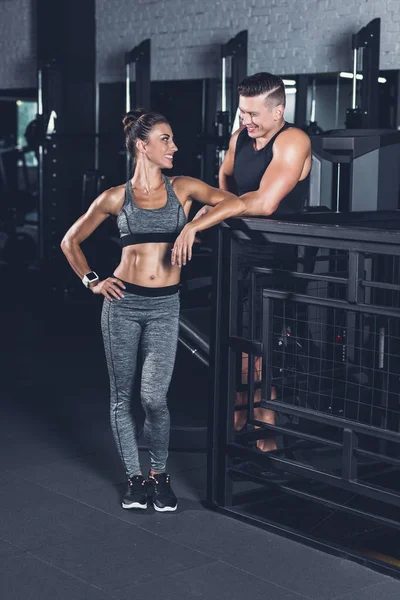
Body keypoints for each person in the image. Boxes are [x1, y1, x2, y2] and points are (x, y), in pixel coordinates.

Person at [61, 109, 245, 512]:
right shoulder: (115, 197)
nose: (174, 146)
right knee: (121, 398)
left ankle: (159, 475)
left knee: (154, 399)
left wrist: (194, 225)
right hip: (122, 305)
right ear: (142, 146)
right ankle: (135, 478)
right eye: (166, 139)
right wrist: (93, 281)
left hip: (165, 307)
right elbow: (70, 242)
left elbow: (233, 202)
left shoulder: (183, 188)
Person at [195, 72, 312, 451]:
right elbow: (224, 177)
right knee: (232, 334)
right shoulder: (239, 137)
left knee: (260, 338)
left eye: (252, 114)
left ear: (279, 110)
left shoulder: (293, 140)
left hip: (274, 256)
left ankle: (265, 418)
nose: (245, 121)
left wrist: (211, 215)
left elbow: (265, 202)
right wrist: (225, 210)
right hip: (237, 249)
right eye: (242, 112)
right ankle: (242, 409)